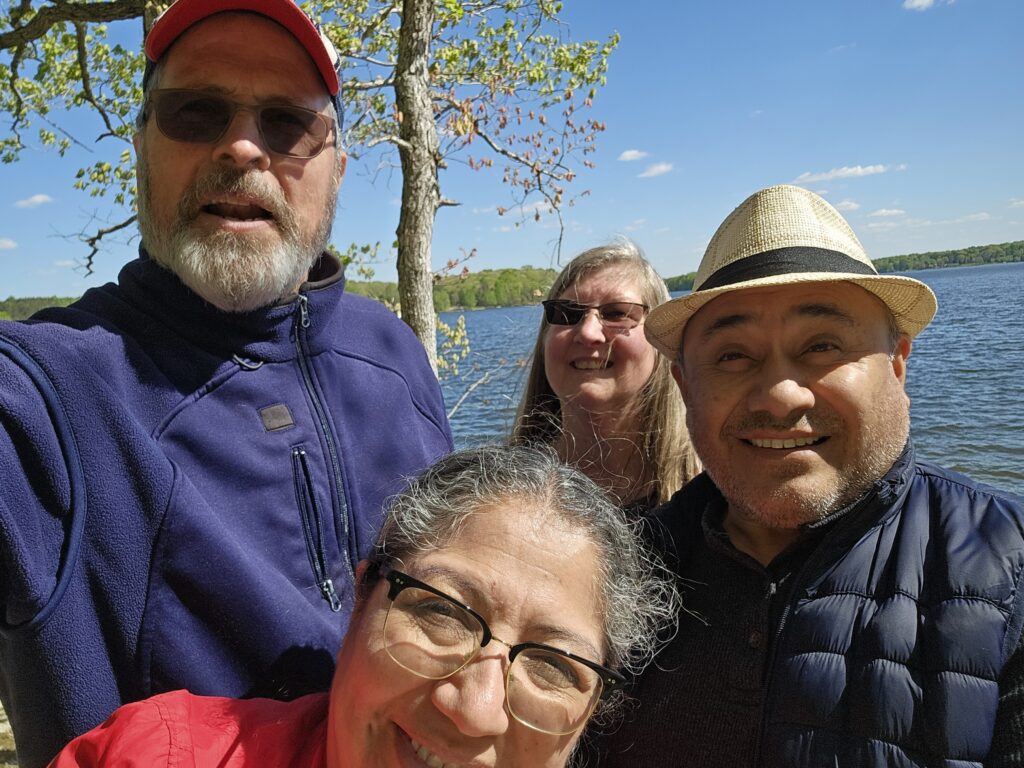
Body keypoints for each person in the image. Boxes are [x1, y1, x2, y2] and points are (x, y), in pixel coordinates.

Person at [0, 2, 453, 766]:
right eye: (195, 112)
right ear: (142, 147)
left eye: (286, 124)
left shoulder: (394, 352)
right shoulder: (48, 391)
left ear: (336, 166)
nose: (242, 146)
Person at [596, 184, 1024, 766]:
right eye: (731, 355)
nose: (778, 395)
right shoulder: (620, 572)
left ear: (897, 362)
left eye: (822, 345)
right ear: (684, 385)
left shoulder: (1011, 571)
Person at [47, 445, 678, 768]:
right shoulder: (162, 756)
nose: (476, 712)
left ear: (593, 712)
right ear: (361, 598)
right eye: (442, 613)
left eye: (552, 665)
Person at [512, 241, 699, 513]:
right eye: (567, 313)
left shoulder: (715, 490)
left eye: (617, 313)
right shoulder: (499, 490)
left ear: (660, 341)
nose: (588, 333)